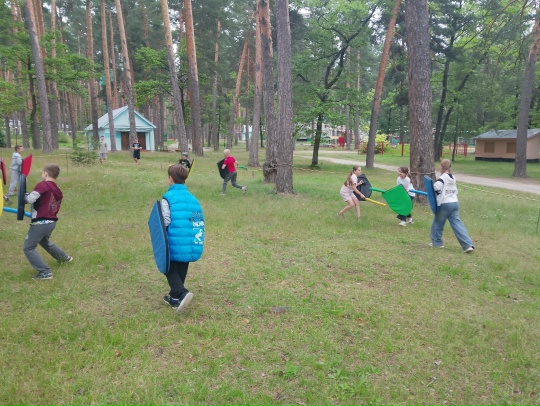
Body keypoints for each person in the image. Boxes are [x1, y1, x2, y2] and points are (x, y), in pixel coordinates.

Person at [161, 164, 205, 313]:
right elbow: (198, 220)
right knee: (182, 266)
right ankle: (174, 298)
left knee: (169, 267)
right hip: (189, 240)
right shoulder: (193, 199)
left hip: (174, 241)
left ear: (170, 178)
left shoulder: (168, 198)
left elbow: (165, 220)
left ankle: (182, 293)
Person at [23, 164, 72, 280]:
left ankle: (45, 272)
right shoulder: (57, 188)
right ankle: (64, 258)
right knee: (44, 241)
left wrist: (24, 196)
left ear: (45, 173)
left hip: (40, 223)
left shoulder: (43, 185)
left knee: (28, 248)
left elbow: (30, 199)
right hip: (51, 222)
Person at [430, 159, 475, 253]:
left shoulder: (442, 178)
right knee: (457, 224)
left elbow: (436, 187)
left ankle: (437, 242)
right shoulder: (453, 177)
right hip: (454, 203)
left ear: (441, 167)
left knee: (438, 223)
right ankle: (467, 245)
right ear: (450, 167)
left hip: (445, 203)